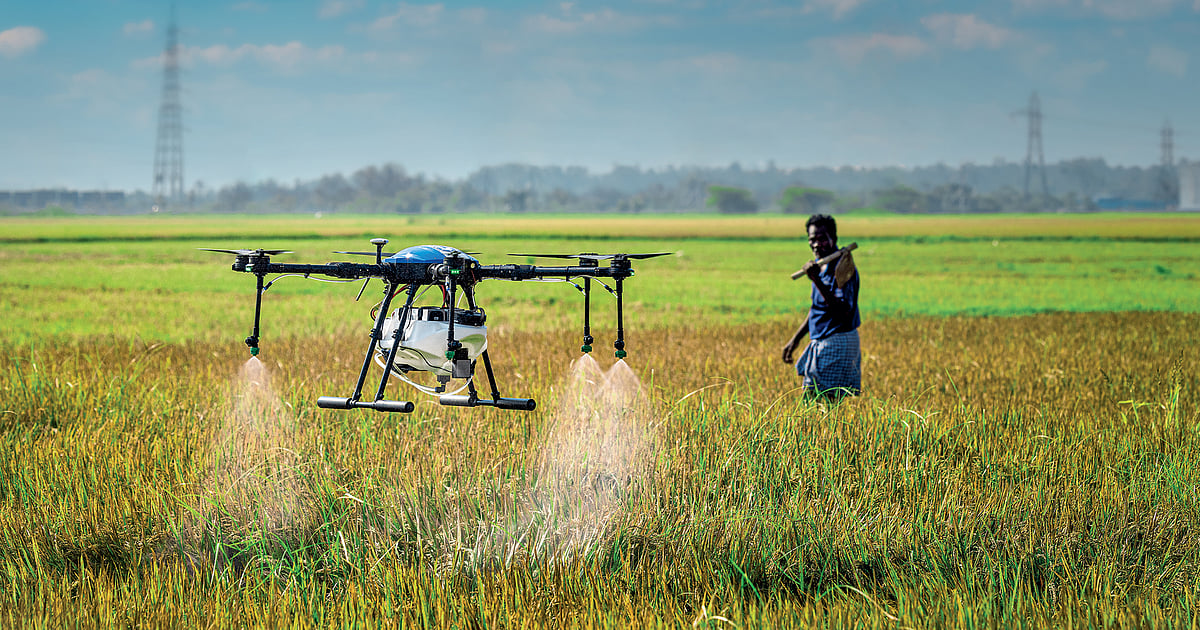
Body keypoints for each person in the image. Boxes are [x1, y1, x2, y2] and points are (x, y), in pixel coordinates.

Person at [781, 214, 861, 398]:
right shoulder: (821, 267)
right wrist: (795, 340)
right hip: (822, 339)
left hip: (837, 340)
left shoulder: (842, 269)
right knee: (819, 404)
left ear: (834, 239)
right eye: (812, 240)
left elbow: (843, 311)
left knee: (816, 401)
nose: (817, 244)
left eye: (822, 239)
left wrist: (816, 279)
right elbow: (817, 309)